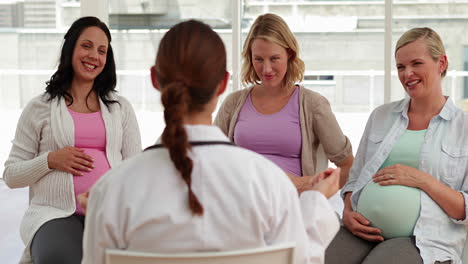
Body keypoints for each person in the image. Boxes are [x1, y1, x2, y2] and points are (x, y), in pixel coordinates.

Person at [82, 19, 341, 264]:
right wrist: (316, 203)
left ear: (155, 79)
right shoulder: (270, 184)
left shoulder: (111, 191)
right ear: (222, 84)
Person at [2, 16, 142, 264]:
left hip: (108, 215)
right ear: (71, 49)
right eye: (86, 46)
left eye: (102, 51)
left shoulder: (121, 108)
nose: (94, 56)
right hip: (53, 214)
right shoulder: (39, 107)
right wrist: (50, 160)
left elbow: (135, 170)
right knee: (60, 258)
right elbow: (11, 176)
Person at [325, 27, 468, 264]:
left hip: (423, 238)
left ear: (441, 62)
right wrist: (348, 212)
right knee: (314, 258)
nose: (407, 73)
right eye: (401, 67)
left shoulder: (463, 128)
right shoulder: (381, 116)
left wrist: (420, 179)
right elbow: (355, 179)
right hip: (362, 228)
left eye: (416, 63)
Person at [214, 13, 353, 193]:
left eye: (274, 58)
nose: (266, 69)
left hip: (294, 204)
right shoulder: (233, 103)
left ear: (289, 54)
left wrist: (316, 194)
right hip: (242, 202)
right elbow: (210, 157)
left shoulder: (313, 104)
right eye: (258, 59)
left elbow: (348, 166)